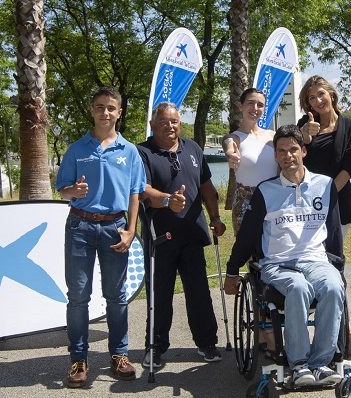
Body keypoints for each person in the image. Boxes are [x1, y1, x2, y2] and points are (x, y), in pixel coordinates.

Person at [222, 125, 346, 388]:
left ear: (303, 151)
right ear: (276, 157)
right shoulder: (266, 191)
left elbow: (334, 234)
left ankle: (321, 363)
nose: (288, 155)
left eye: (293, 149)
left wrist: (338, 267)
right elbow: (247, 236)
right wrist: (233, 270)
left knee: (334, 286)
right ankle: (299, 364)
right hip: (277, 265)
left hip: (315, 260)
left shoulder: (324, 186)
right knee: (299, 288)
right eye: (281, 151)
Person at [55, 86, 146, 388]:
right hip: (80, 227)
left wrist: (131, 230)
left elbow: (135, 194)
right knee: (78, 296)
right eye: (99, 107)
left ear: (119, 112)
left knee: (116, 297)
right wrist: (73, 192)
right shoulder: (77, 149)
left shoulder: (129, 151)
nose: (105, 113)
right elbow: (63, 189)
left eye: (110, 107)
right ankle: (78, 358)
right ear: (92, 111)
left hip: (114, 228)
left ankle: (119, 354)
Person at [136, 102, 227, 368]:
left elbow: (207, 188)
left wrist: (216, 217)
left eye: (174, 121)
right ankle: (155, 347)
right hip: (160, 238)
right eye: (164, 121)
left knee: (199, 292)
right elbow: (142, 191)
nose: (170, 126)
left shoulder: (193, 149)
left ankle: (207, 343)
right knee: (160, 295)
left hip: (192, 235)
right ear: (154, 124)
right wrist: (167, 201)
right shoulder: (143, 152)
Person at [296, 75, 351, 239]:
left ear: (331, 94)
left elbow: (350, 165)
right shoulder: (304, 124)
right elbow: (295, 156)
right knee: (308, 254)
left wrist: (326, 194)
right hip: (307, 200)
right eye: (312, 98)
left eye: (321, 94)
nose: (318, 100)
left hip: (338, 200)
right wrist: (304, 135)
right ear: (309, 103)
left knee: (334, 256)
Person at [223, 88, 278, 234]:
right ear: (240, 106)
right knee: (247, 253)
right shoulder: (235, 137)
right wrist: (230, 154)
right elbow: (229, 144)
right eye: (250, 103)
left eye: (260, 105)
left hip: (275, 201)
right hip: (246, 204)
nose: (255, 108)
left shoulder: (273, 136)